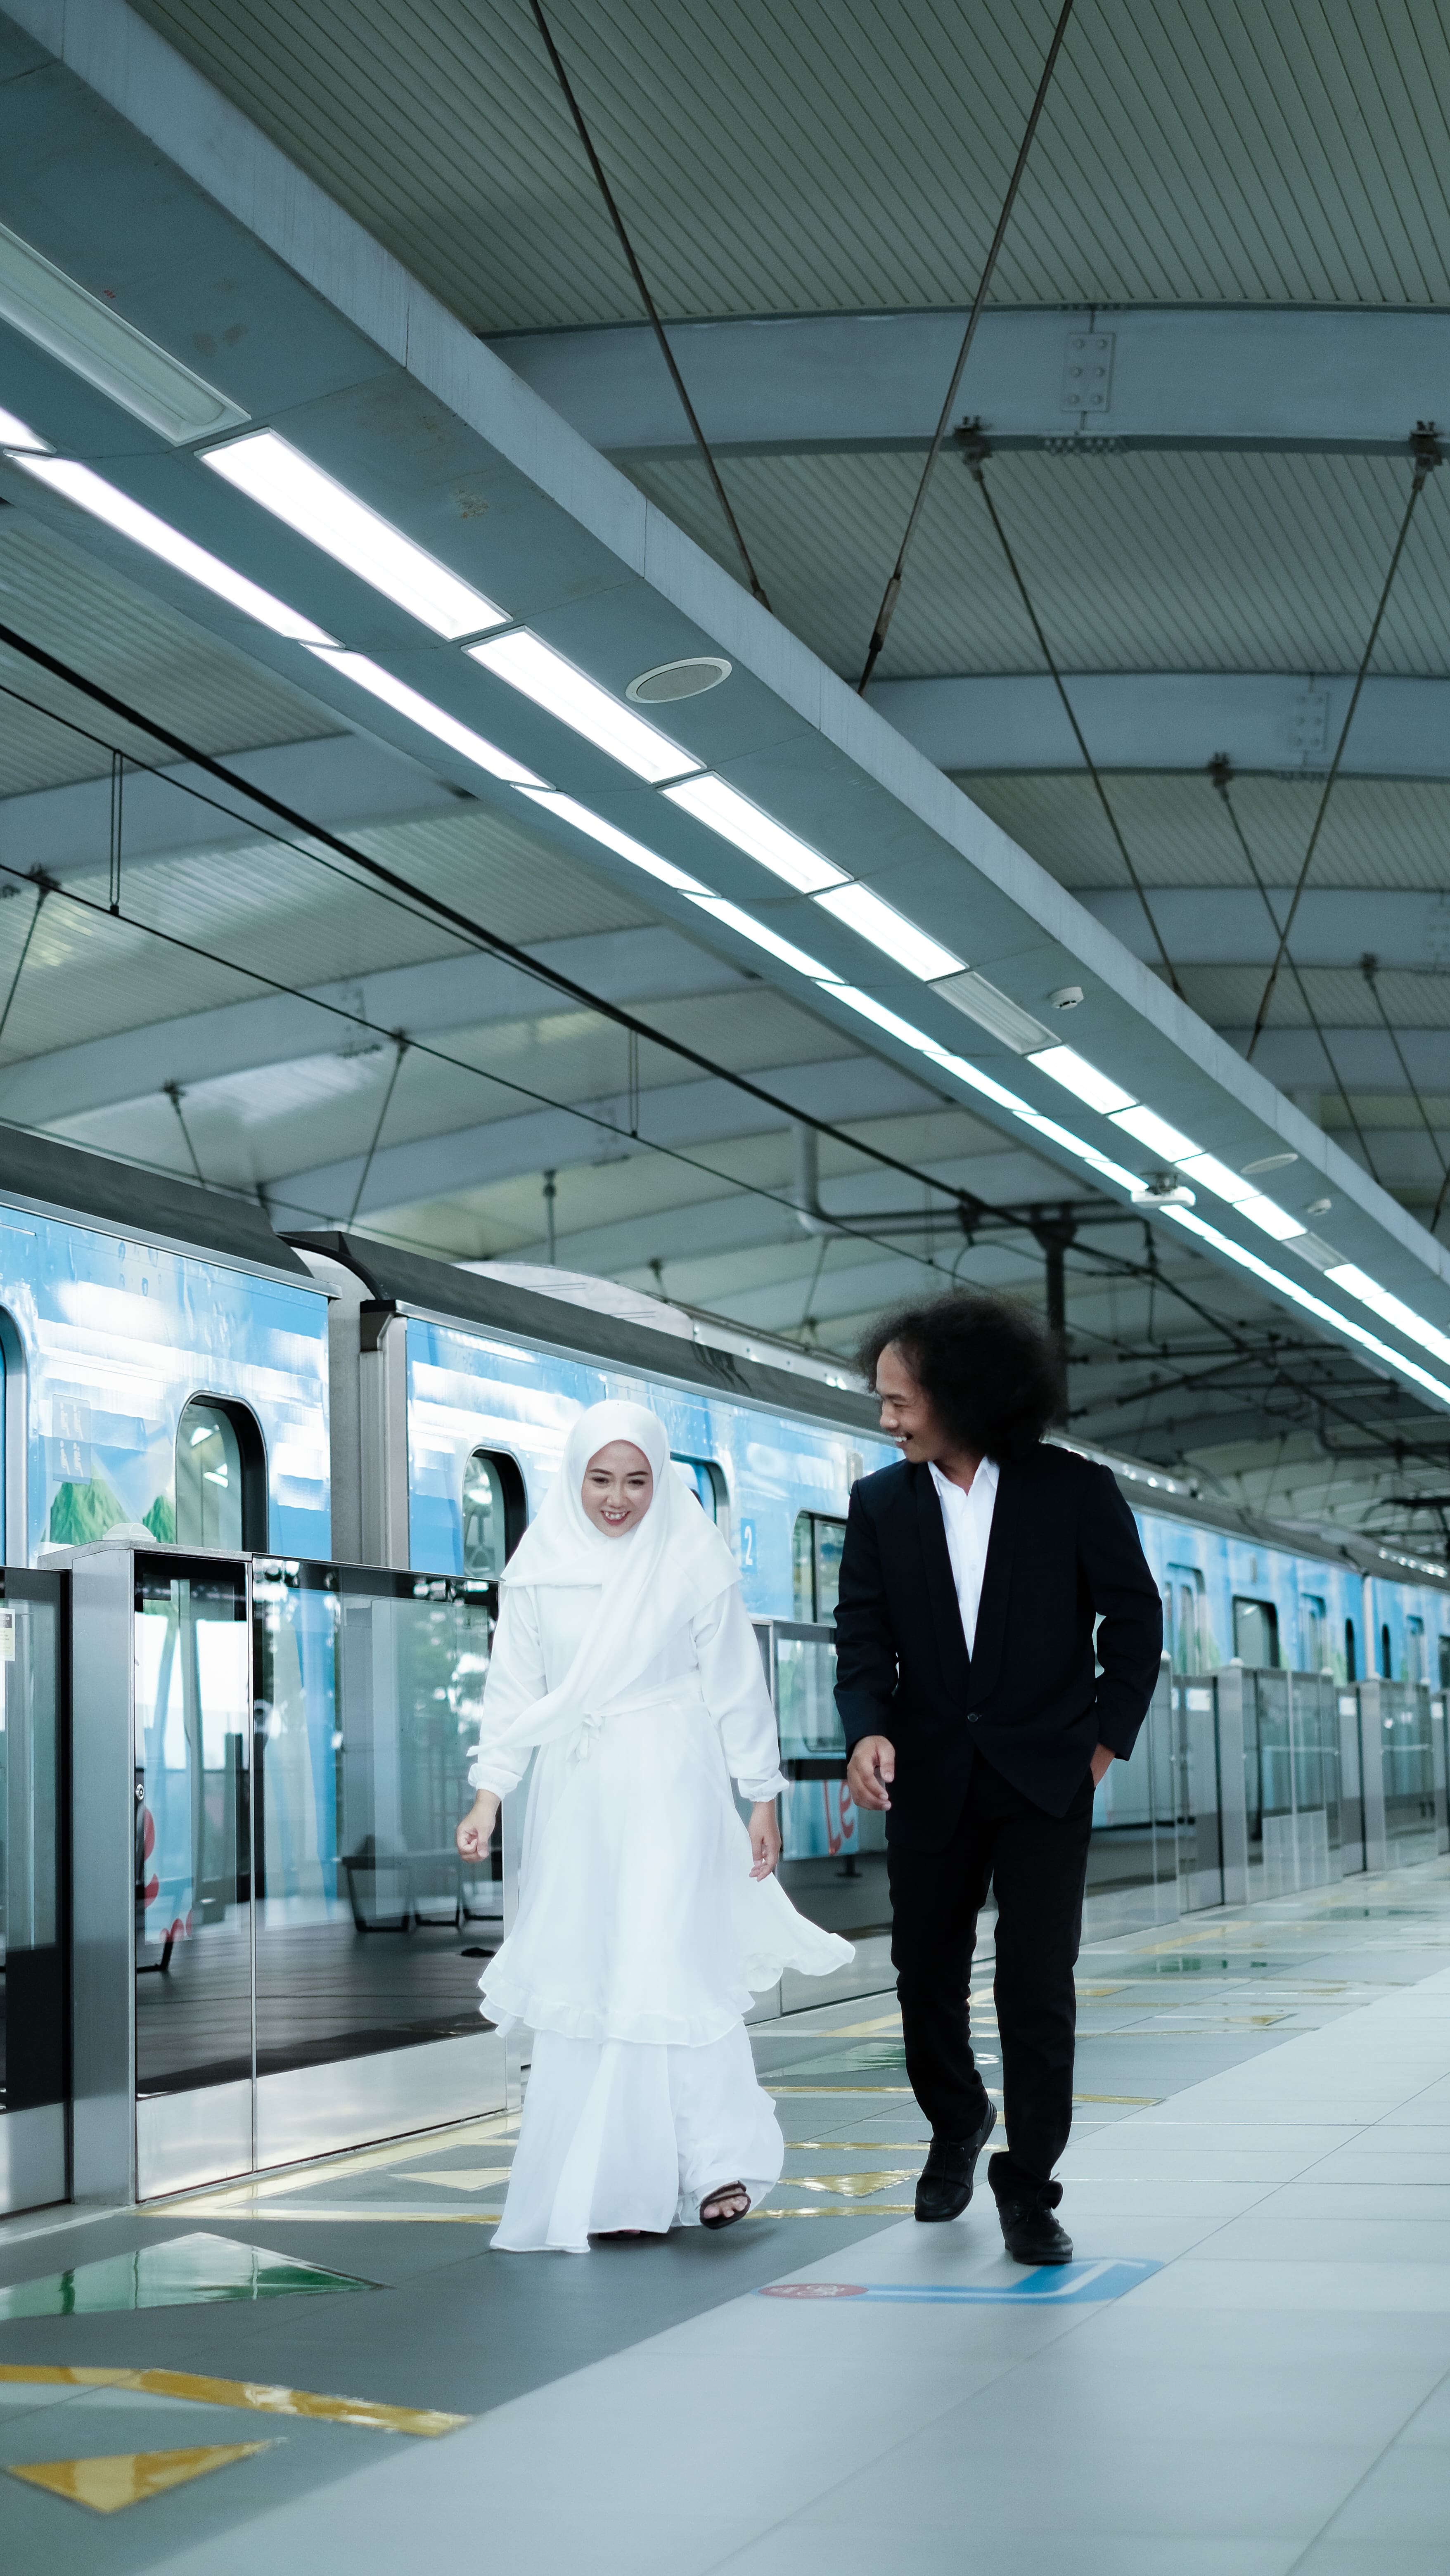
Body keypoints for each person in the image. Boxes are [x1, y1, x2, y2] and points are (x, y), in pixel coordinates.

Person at [455, 1398, 851, 2250]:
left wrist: (761, 1795)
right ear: (575, 1476)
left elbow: (736, 1682)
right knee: (595, 1971)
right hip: (578, 1795)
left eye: (637, 1481)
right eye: (600, 1479)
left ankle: (715, 2163)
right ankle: (611, 2186)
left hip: (674, 1783)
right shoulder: (538, 1566)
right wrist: (490, 1794)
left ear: (660, 1479)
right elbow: (513, 1688)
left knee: (670, 1959)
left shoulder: (690, 1556)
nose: (618, 1499)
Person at [835, 1293, 1162, 2264]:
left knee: (1035, 1985)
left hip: (1045, 1781)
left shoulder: (1074, 1491)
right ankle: (957, 2120)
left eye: (899, 1401)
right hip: (927, 1776)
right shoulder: (879, 1504)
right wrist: (866, 1731)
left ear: (962, 1395)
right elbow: (863, 1638)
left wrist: (1103, 1745)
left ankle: (1029, 2187)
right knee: (924, 1977)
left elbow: (1134, 1620)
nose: (885, 1419)